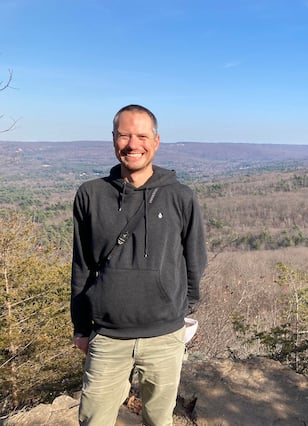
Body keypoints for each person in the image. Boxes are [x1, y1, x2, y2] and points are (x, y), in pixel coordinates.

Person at [70, 104, 208, 425]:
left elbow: (195, 260)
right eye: (125, 135)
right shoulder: (90, 195)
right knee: (94, 419)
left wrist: (178, 309)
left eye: (142, 136)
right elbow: (82, 265)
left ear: (156, 141)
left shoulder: (180, 197)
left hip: (164, 337)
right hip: (107, 335)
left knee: (159, 420)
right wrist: (80, 326)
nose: (133, 144)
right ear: (114, 140)